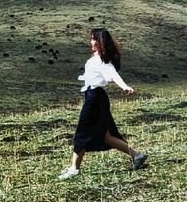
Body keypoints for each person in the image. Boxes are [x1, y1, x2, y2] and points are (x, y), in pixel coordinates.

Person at [58, 28, 147, 180]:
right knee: (106, 136)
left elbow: (114, 75)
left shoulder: (103, 61)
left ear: (100, 42)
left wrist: (125, 87)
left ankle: (74, 169)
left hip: (95, 99)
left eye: (93, 39)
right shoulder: (95, 58)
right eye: (91, 38)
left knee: (82, 133)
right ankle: (136, 155)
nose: (90, 41)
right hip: (93, 97)